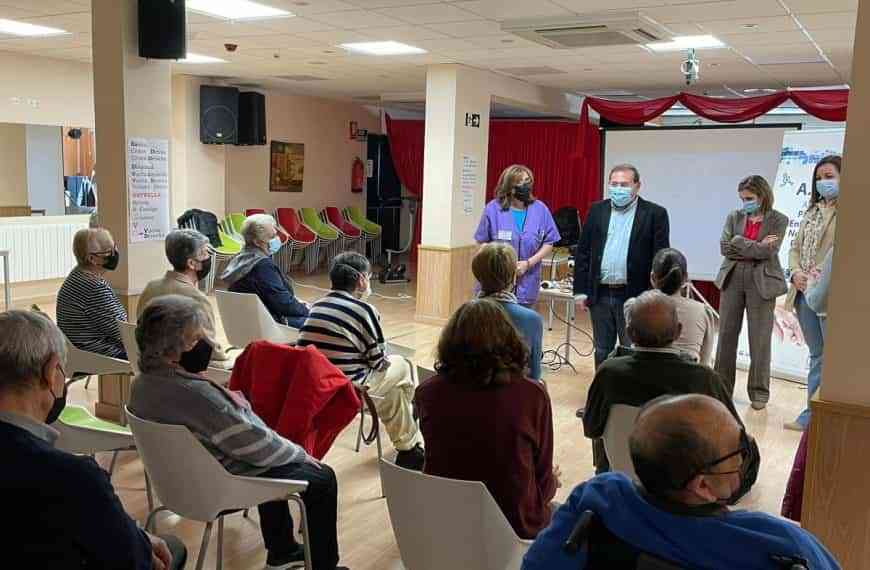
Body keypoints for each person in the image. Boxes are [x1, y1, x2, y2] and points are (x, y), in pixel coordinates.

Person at [128, 296, 346, 570]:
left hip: (177, 484)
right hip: (218, 484)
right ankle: (324, 565)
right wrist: (300, 454)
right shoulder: (199, 396)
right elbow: (257, 447)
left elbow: (249, 440)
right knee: (321, 477)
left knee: (270, 450)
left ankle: (283, 550)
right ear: (171, 350)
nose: (208, 343)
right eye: (196, 338)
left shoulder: (140, 385)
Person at [522, 394, 840, 570]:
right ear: (703, 486)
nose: (745, 457)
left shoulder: (599, 500)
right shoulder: (781, 545)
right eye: (738, 450)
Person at [0, 310, 187, 570]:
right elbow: (134, 561)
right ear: (51, 371)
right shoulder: (72, 478)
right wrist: (141, 541)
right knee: (172, 548)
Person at [582, 290, 759, 494]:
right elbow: (737, 442)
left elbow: (591, 428)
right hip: (688, 494)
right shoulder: (703, 379)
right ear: (678, 331)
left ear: (629, 333)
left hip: (623, 488)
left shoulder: (609, 373)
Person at [415, 298, 559, 539]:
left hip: (445, 519)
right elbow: (544, 482)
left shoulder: (427, 392)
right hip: (514, 527)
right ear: (509, 339)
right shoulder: (532, 395)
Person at [298, 251, 424, 470]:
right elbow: (378, 361)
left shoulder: (317, 305)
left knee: (392, 394)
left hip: (318, 388)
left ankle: (409, 448)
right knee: (403, 365)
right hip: (349, 389)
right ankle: (410, 427)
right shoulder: (364, 310)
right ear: (361, 280)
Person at [573, 163, 670, 368]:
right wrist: (580, 291)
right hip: (600, 294)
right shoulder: (597, 210)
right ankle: (603, 392)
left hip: (635, 295)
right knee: (602, 349)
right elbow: (583, 252)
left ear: (637, 186)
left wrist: (655, 295)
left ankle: (630, 393)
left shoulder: (655, 214)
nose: (618, 189)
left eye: (624, 184)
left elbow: (661, 257)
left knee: (632, 349)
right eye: (614, 184)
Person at [715, 175, 788, 410]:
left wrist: (739, 242)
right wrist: (754, 245)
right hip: (733, 278)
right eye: (742, 198)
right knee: (726, 335)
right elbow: (724, 248)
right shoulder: (733, 216)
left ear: (762, 195)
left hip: (762, 282)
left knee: (759, 339)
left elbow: (769, 252)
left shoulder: (779, 220)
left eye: (749, 198)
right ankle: (721, 389)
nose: (744, 202)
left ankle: (759, 392)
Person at [784, 155, 839, 431]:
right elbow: (795, 248)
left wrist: (815, 276)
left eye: (829, 176)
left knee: (832, 357)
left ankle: (825, 418)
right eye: (819, 178)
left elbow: (838, 253)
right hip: (802, 292)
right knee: (817, 355)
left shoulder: (849, 211)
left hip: (828, 293)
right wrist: (795, 272)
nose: (822, 183)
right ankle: (810, 415)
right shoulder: (811, 211)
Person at [137, 229, 232, 367]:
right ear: (191, 263)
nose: (208, 257)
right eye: (205, 253)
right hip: (184, 369)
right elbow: (210, 349)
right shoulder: (197, 298)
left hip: (151, 366)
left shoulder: (150, 288)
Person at [474, 164, 561, 307]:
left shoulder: (540, 209)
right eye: (519, 183)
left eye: (527, 181)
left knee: (521, 325)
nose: (525, 186)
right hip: (495, 286)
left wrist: (528, 263)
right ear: (509, 187)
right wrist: (500, 264)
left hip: (527, 283)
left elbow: (549, 242)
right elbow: (482, 241)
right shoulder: (493, 209)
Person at [221, 214, 309, 328]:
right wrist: (307, 310)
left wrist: (297, 304)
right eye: (272, 237)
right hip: (270, 325)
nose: (276, 240)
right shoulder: (262, 266)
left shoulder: (240, 258)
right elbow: (284, 304)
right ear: (257, 242)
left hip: (248, 323)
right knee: (322, 320)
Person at [471, 242, 544, 381]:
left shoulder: (464, 313)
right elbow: (534, 375)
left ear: (478, 275)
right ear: (513, 277)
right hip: (513, 397)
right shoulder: (532, 319)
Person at [57, 227, 128, 359]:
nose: (115, 254)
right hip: (96, 354)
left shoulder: (76, 275)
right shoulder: (94, 287)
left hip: (77, 351)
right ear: (92, 258)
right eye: (109, 251)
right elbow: (122, 332)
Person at [647, 247, 717, 365]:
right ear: (685, 278)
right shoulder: (702, 312)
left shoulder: (635, 308)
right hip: (689, 381)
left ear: (652, 277)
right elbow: (704, 363)